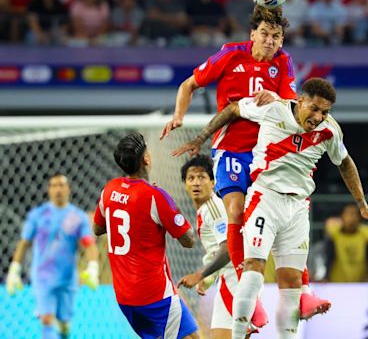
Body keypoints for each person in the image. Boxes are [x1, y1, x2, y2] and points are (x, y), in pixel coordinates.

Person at [173, 77, 368, 338]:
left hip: (297, 209)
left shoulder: (330, 131)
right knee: (253, 270)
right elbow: (233, 109)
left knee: (292, 284)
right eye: (314, 109)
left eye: (325, 112)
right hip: (265, 199)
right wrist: (201, 137)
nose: (319, 117)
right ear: (301, 101)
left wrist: (362, 204)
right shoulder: (273, 109)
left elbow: (345, 162)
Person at [160, 5, 327, 324]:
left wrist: (274, 98)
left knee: (287, 217)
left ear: (281, 41)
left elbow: (293, 106)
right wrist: (179, 116)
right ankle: (247, 298)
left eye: (276, 36)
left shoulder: (283, 62)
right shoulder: (230, 55)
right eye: (264, 33)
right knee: (235, 212)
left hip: (268, 153)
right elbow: (188, 85)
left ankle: (301, 289)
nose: (269, 40)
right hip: (231, 150)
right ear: (252, 34)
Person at [92, 133, 199, 339]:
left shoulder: (109, 190)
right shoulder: (155, 196)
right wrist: (168, 208)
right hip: (155, 296)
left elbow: (97, 229)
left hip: (125, 298)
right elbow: (189, 240)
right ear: (146, 159)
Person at [6, 173, 99, 339]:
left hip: (67, 279)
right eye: (54, 185)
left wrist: (93, 266)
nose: (58, 189)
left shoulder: (77, 217)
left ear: (68, 189)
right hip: (43, 277)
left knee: (64, 323)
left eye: (61, 185)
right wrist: (14, 269)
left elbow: (88, 243)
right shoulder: (38, 215)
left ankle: (64, 329)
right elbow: (24, 243)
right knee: (47, 320)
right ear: (48, 190)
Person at [178, 155, 239, 338]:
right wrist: (210, 278)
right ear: (185, 184)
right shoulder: (205, 209)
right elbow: (216, 250)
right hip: (231, 278)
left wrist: (200, 275)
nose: (196, 183)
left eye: (202, 177)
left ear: (213, 182)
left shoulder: (214, 208)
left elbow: (228, 249)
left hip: (234, 280)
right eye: (191, 178)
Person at [324, 203, 368, 282]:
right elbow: (329, 257)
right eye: (348, 214)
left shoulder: (366, 234)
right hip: (338, 283)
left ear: (359, 218)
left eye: (355, 214)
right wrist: (326, 277)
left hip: (361, 283)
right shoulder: (334, 234)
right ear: (342, 216)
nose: (352, 218)